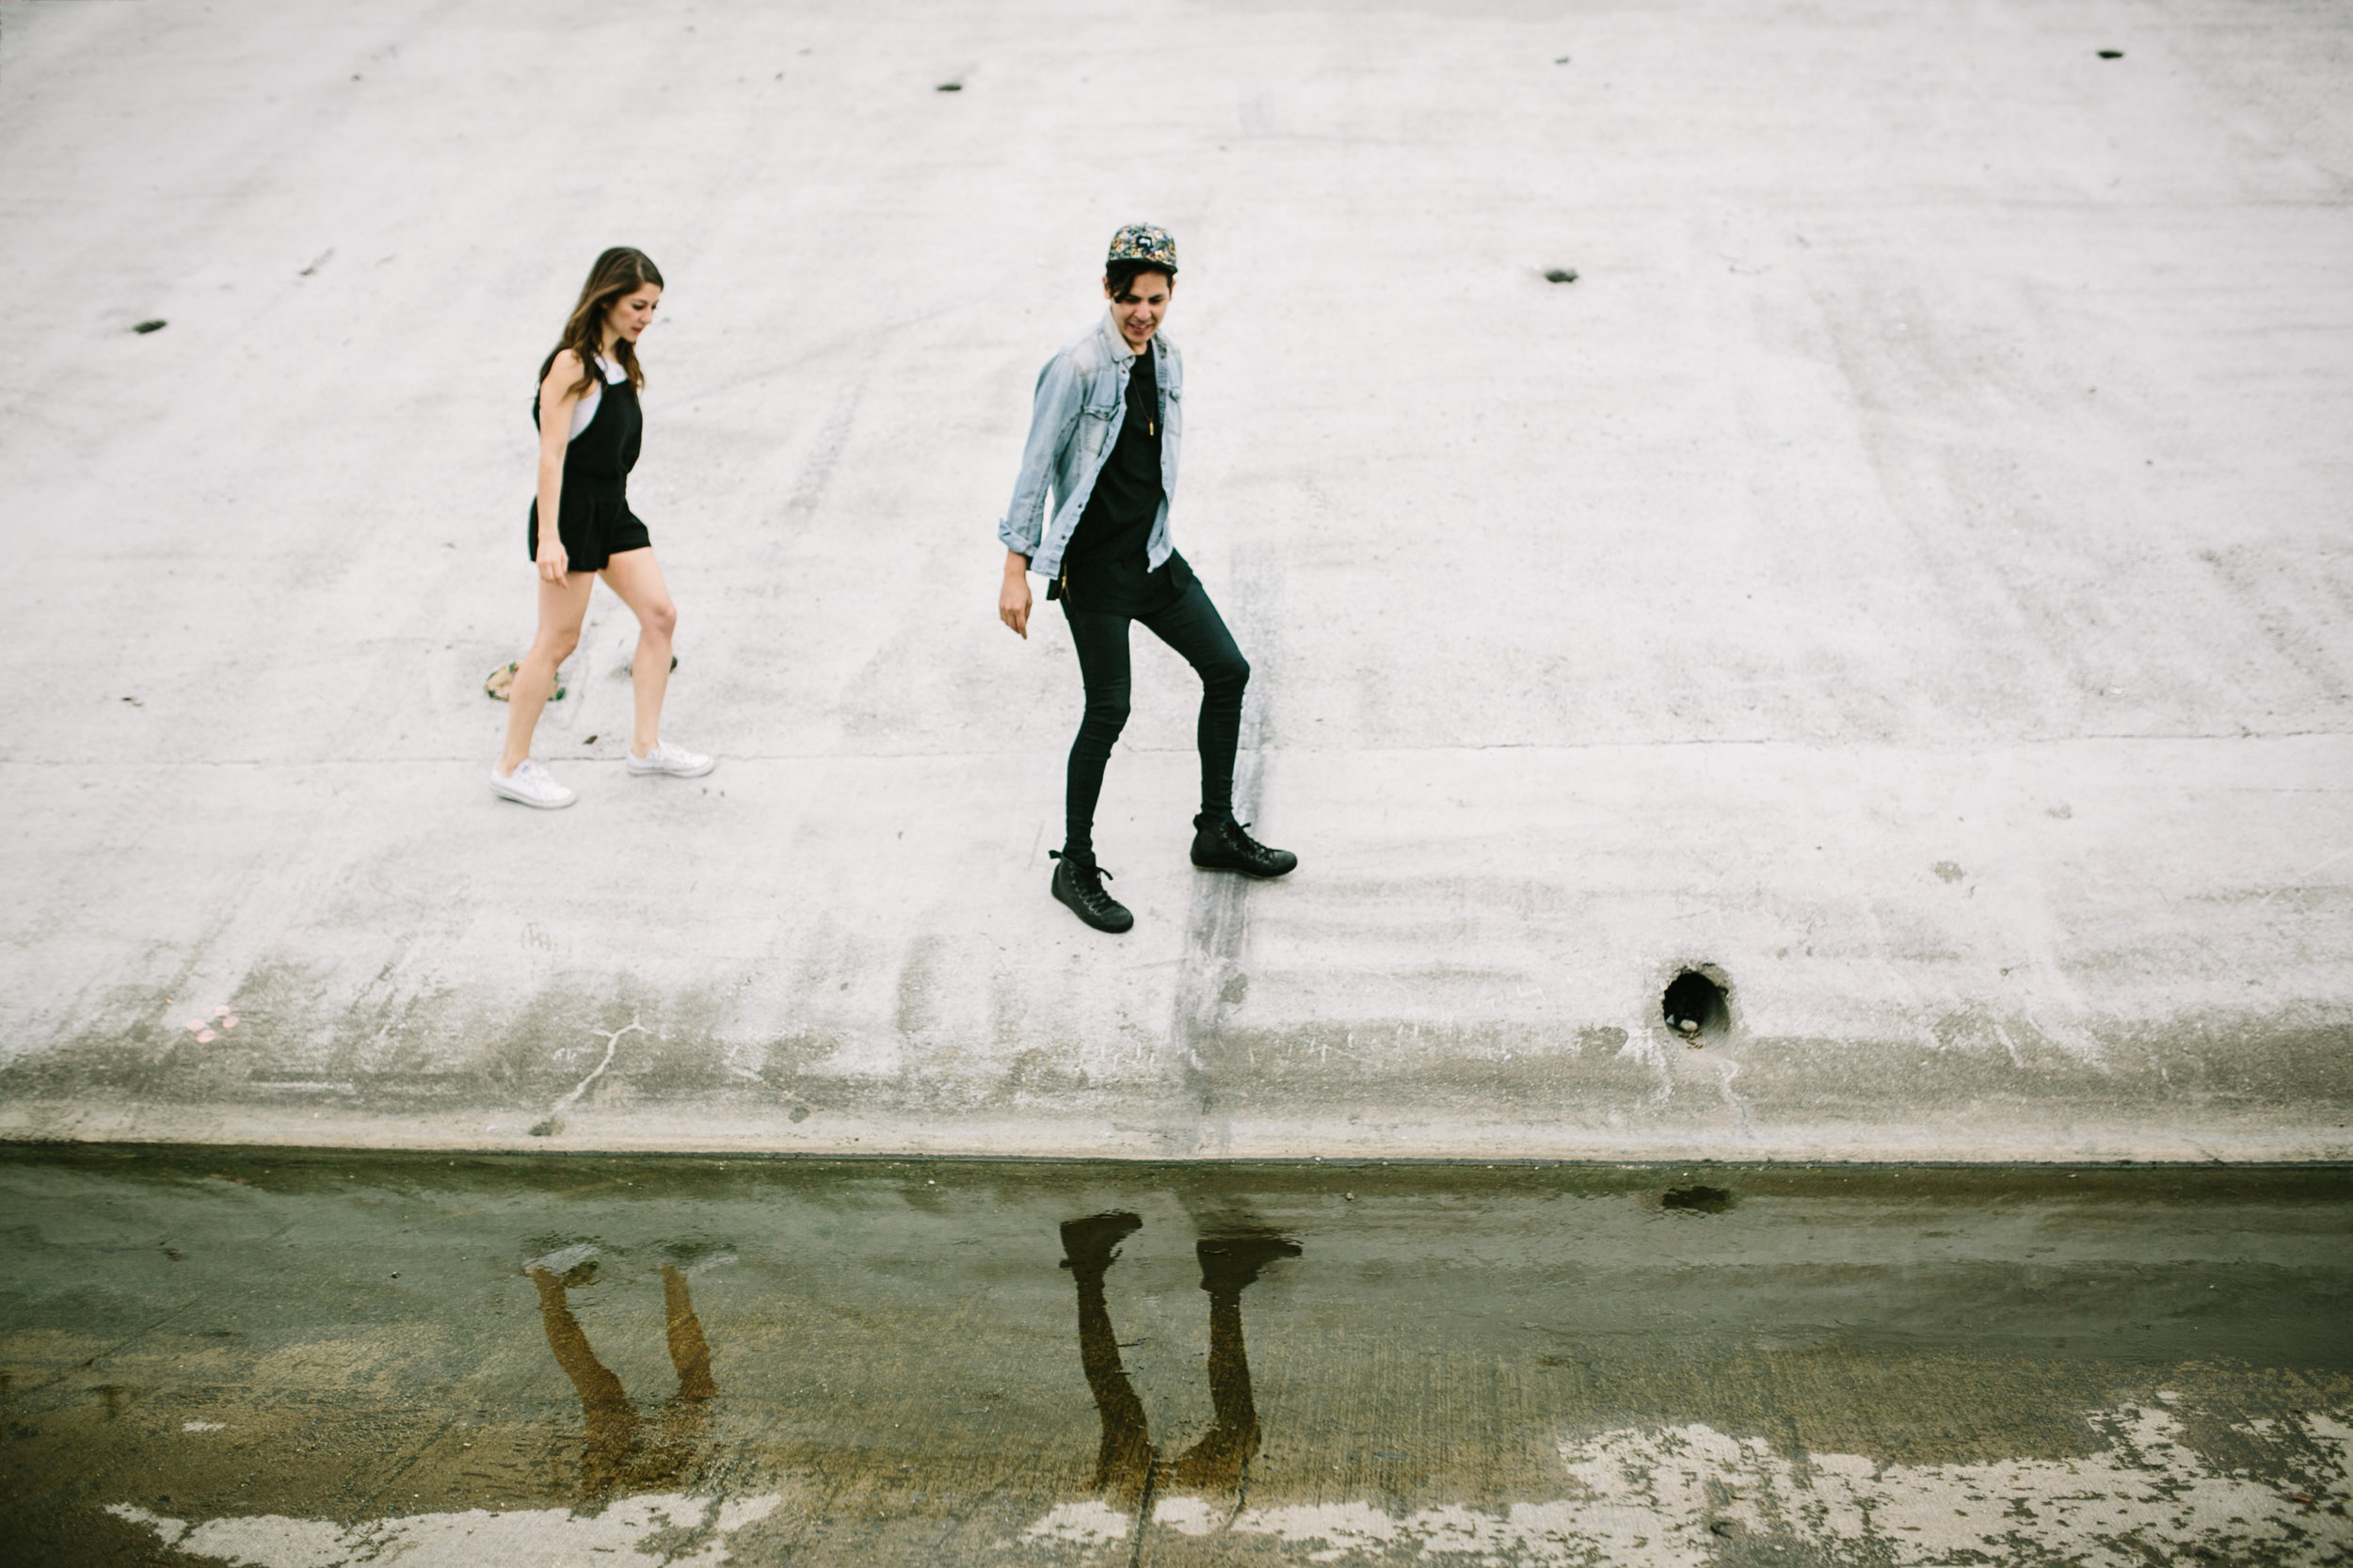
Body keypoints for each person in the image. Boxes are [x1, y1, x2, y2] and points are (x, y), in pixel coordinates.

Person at [996, 224, 1296, 933]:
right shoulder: (1074, 368)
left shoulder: (1169, 361)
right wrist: (1015, 569)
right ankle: (1073, 865)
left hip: (1153, 557)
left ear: (1170, 296)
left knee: (1228, 670)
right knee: (1109, 711)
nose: (1143, 314)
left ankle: (1215, 830)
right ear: (1107, 290)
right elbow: (1034, 469)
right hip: (1093, 572)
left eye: (1156, 300)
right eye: (1130, 299)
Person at [493, 247, 712, 808]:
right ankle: (511, 766)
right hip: (570, 514)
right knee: (558, 641)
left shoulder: (620, 362)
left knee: (660, 616)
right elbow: (550, 456)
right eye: (638, 305)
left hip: (612, 508)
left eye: (654, 308)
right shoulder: (573, 364)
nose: (646, 317)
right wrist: (549, 537)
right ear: (608, 297)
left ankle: (646, 747)